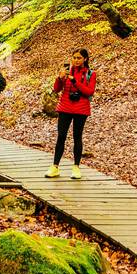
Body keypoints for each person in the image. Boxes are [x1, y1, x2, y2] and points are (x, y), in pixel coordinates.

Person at [45, 48, 97, 180]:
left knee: (77, 137)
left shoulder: (90, 74)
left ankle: (76, 167)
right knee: (61, 136)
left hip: (81, 108)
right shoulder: (67, 71)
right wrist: (59, 78)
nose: (76, 60)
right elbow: (56, 89)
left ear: (85, 59)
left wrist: (74, 81)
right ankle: (55, 166)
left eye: (79, 58)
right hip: (65, 107)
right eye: (74, 57)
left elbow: (89, 91)